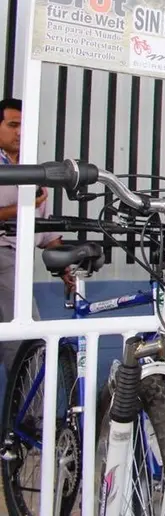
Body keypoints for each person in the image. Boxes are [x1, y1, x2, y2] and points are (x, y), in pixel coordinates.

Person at [0, 98, 63, 371]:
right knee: (26, 336)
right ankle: (32, 400)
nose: (20, 132)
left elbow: (45, 227)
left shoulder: (32, 168)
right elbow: (30, 208)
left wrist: (64, 263)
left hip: (21, 260)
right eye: (13, 125)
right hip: (4, 253)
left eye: (24, 126)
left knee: (14, 337)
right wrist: (23, 207)